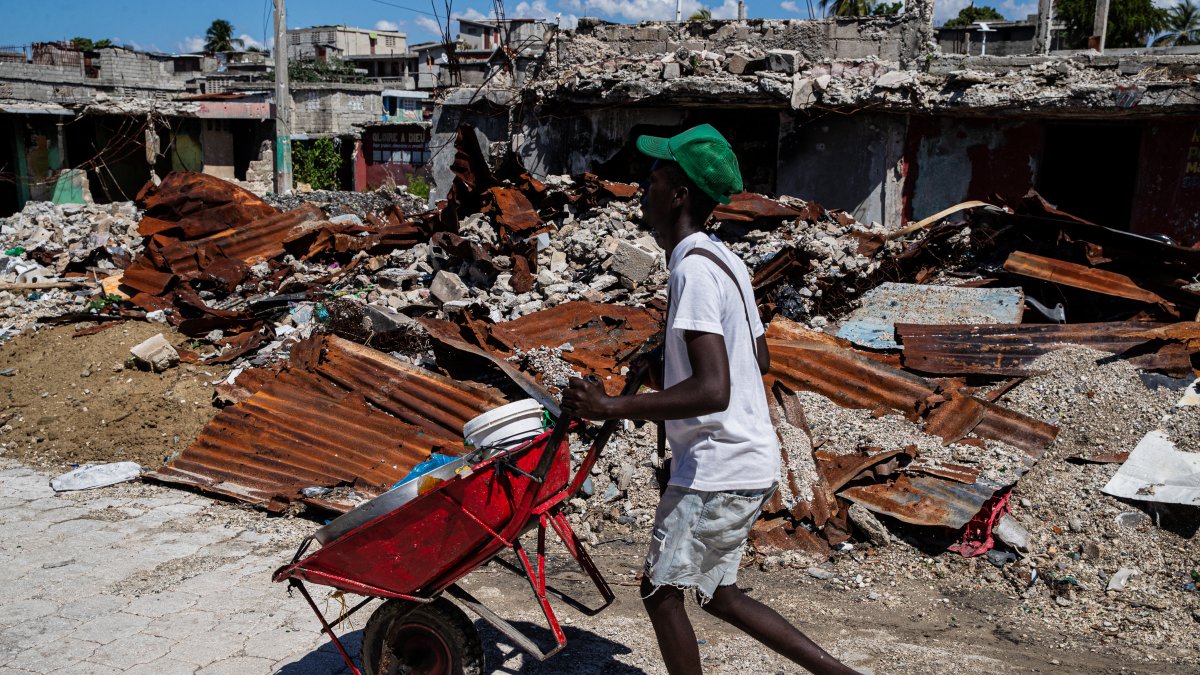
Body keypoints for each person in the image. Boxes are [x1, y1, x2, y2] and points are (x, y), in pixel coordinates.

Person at [561, 124, 859, 675]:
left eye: (653, 180)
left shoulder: (694, 270)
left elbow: (713, 389)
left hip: (717, 465)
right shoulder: (724, 260)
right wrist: (665, 364)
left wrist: (609, 407)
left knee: (661, 591)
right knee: (718, 594)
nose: (642, 192)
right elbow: (759, 359)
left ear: (679, 194)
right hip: (745, 456)